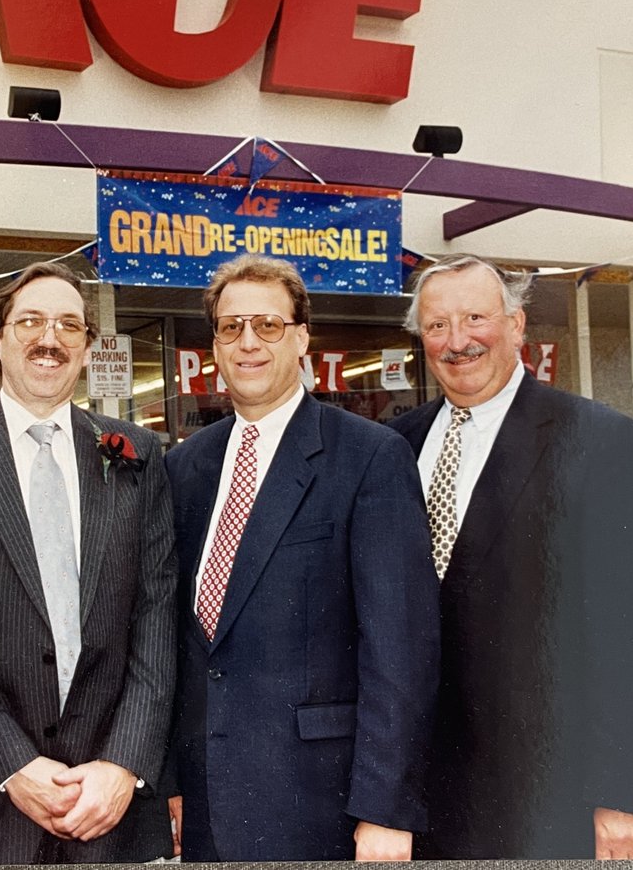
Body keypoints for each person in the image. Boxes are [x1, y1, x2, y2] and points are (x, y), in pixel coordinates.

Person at [0, 261, 177, 864]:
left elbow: (157, 619)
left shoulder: (136, 452)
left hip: (109, 806)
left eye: (69, 325)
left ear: (87, 347)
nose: (50, 339)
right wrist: (11, 765)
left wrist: (124, 763)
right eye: (30, 321)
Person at [389, 253, 633, 859]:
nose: (457, 341)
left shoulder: (596, 440)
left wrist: (624, 797)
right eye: (437, 325)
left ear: (517, 326)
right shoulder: (397, 444)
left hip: (544, 799)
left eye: (475, 318)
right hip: (419, 799)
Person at [164, 254, 439, 862]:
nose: (249, 343)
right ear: (214, 345)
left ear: (301, 338)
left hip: (323, 805)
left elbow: (400, 652)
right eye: (231, 328)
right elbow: (182, 643)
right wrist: (175, 782)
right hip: (209, 805)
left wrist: (386, 811)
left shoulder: (369, 457)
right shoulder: (185, 467)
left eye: (268, 325)